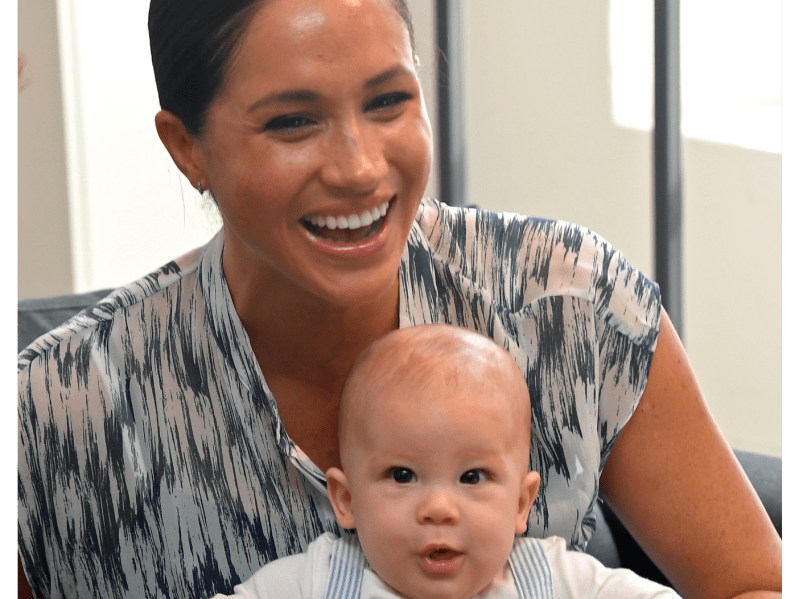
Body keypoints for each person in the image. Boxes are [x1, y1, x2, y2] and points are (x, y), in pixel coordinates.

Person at [16, 0, 781, 598]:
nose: (357, 167)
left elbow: (754, 582)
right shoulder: (55, 416)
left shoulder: (568, 301)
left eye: (387, 102)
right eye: (292, 121)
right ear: (187, 148)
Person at [210, 324, 680, 599]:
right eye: (402, 475)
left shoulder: (550, 580)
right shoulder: (319, 581)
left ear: (521, 503)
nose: (439, 507)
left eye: (472, 477)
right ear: (346, 499)